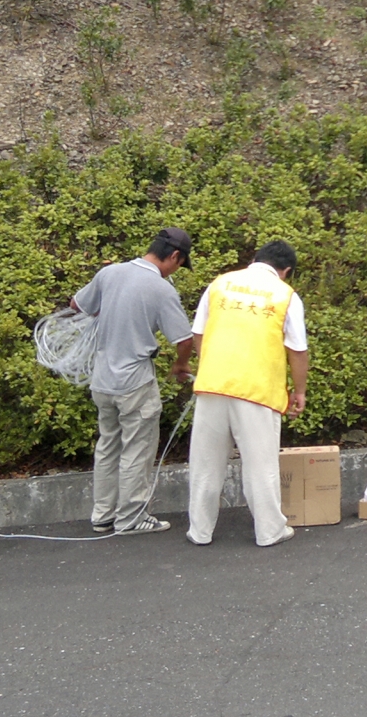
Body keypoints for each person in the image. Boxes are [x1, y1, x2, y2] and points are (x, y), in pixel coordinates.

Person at [177, 239, 310, 547]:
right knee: (260, 465)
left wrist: (210, 364)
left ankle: (200, 531)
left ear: (255, 259)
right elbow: (297, 350)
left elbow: (198, 333)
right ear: (286, 270)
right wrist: (299, 391)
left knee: (205, 464)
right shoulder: (285, 295)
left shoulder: (220, 284)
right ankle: (269, 531)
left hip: (212, 385)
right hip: (257, 391)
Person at [70, 225, 193, 535]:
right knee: (137, 448)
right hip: (135, 380)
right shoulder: (161, 289)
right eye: (179, 264)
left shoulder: (110, 274)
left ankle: (102, 515)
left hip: (102, 380)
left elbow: (77, 305)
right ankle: (131, 517)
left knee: (108, 445)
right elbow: (183, 338)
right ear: (174, 256)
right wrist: (180, 366)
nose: (175, 271)